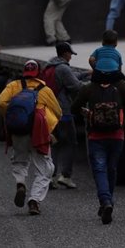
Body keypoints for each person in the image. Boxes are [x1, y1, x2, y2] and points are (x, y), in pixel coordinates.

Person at [0, 60, 62, 216]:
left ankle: (20, 183)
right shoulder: (45, 89)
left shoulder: (14, 86)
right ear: (38, 73)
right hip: (39, 131)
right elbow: (58, 111)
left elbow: (0, 102)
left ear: (24, 72)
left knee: (20, 159)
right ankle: (34, 200)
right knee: (45, 168)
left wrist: (11, 117)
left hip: (19, 130)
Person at [71, 78, 125, 224]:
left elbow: (74, 108)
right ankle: (108, 202)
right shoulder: (121, 86)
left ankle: (105, 201)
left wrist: (86, 112)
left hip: (96, 137)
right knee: (112, 169)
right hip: (117, 136)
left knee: (100, 170)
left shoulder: (89, 88)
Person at [44, 42, 90, 189]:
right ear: (65, 53)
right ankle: (66, 176)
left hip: (50, 111)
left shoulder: (51, 66)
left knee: (55, 143)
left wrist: (85, 73)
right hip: (63, 112)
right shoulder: (63, 68)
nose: (71, 56)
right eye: (70, 54)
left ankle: (51, 176)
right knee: (71, 143)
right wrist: (92, 83)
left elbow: (71, 76)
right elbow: (75, 86)